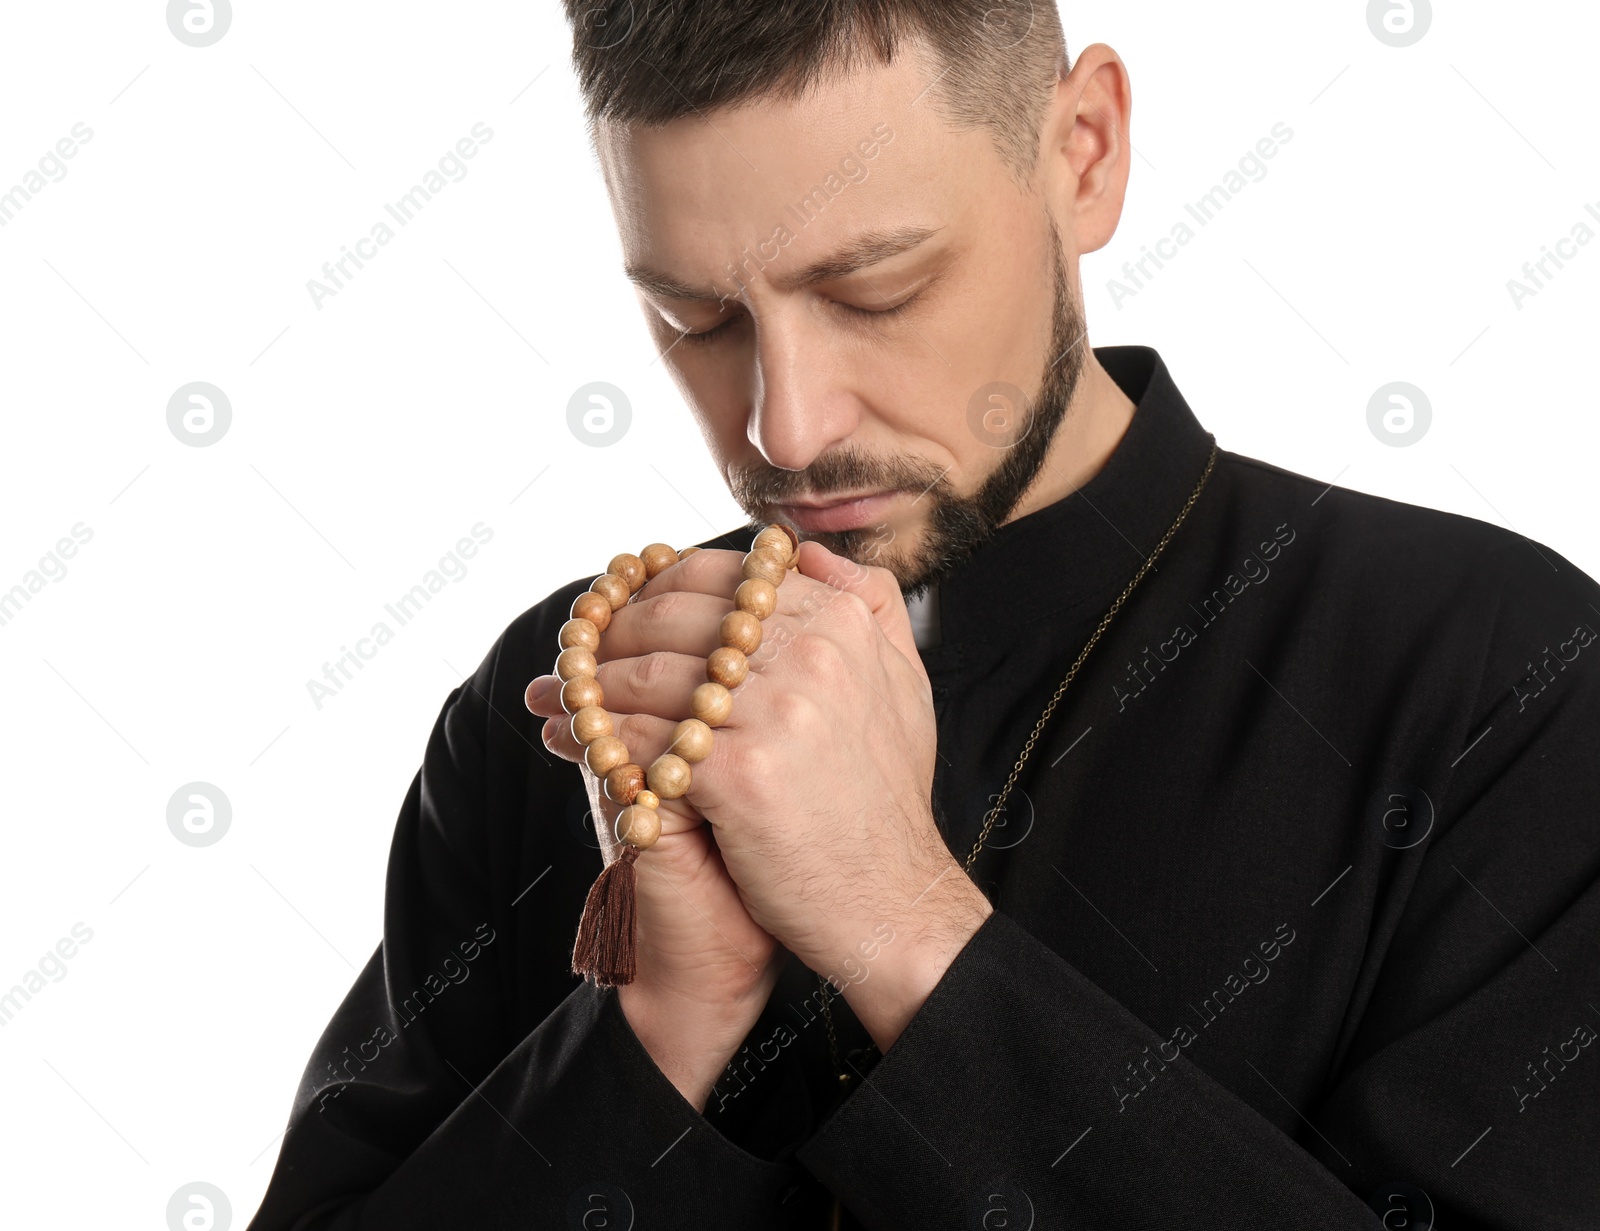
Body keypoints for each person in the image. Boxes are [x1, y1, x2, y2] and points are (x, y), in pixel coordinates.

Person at [247, 3, 1600, 1227]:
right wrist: (656, 1037)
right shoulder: (577, 693)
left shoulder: (1504, 683)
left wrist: (902, 928)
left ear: (1084, 151)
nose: (786, 422)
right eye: (695, 317)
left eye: (873, 289)